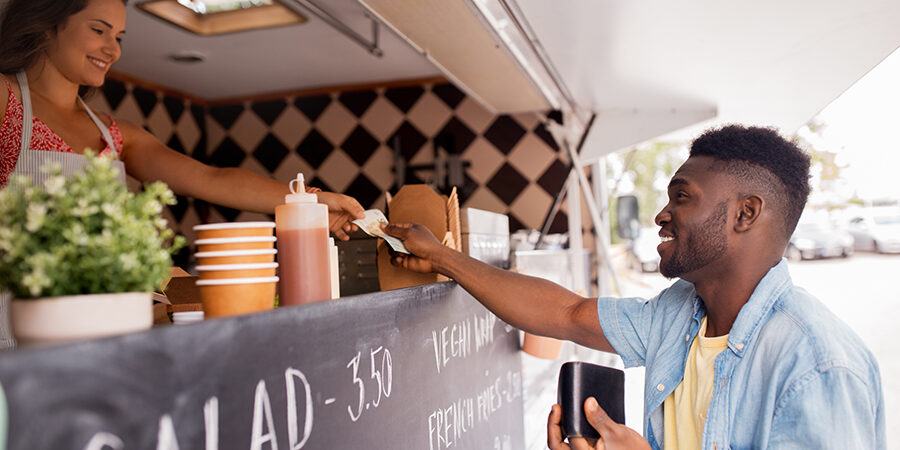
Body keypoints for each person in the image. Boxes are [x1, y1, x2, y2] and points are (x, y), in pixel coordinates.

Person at [383, 125, 885, 449]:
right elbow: (567, 313)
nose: (660, 215)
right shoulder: (681, 314)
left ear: (744, 214)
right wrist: (443, 257)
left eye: (681, 198)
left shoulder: (818, 364)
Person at [0, 0, 365, 239]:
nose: (113, 50)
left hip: (95, 320)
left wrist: (312, 202)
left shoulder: (116, 136)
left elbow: (211, 179)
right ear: (46, 26)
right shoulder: (6, 100)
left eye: (119, 36)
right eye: (98, 30)